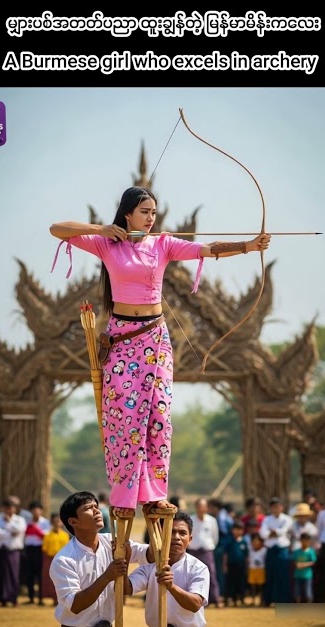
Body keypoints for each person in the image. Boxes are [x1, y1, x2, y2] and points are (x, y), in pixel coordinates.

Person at [49, 187, 271, 519]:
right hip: (121, 339)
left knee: (159, 418)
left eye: (154, 212)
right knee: (124, 417)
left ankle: (154, 495)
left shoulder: (164, 243)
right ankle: (124, 497)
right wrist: (100, 229)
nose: (151, 218)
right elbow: (56, 229)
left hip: (155, 338)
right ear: (128, 214)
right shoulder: (106, 243)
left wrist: (247, 247)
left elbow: (205, 250)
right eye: (145, 212)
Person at [48, 491, 156, 627]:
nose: (96, 511)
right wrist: (107, 576)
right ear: (73, 522)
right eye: (88, 508)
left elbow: (152, 555)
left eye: (96, 506)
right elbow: (75, 605)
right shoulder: (64, 560)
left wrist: (152, 521)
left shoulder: (112, 541)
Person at [124, 511, 211, 627]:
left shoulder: (198, 568)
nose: (176, 537)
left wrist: (171, 587)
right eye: (171, 531)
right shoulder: (150, 568)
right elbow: (125, 589)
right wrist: (125, 560)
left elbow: (195, 604)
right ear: (161, 535)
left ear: (190, 539)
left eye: (182, 533)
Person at [0, 498, 27, 607]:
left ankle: (13, 597)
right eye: (7, 507)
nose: (9, 510)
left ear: (15, 509)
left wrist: (8, 524)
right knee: (2, 574)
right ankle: (3, 598)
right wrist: (10, 532)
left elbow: (19, 530)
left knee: (13, 574)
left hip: (14, 551)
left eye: (11, 507)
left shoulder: (19, 519)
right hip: (2, 550)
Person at [259, 498, 294, 606]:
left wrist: (274, 532)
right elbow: (263, 533)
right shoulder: (267, 519)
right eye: (273, 506)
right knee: (271, 574)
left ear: (282, 507)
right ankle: (269, 599)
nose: (276, 509)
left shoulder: (287, 519)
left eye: (278, 506)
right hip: (271, 549)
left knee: (282, 574)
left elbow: (283, 531)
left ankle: (283, 600)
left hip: (282, 549)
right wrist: (274, 532)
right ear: (270, 508)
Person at [188, 498, 221, 607]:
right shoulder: (191, 520)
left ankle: (215, 599)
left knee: (211, 574)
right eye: (199, 506)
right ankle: (193, 599)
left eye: (203, 506)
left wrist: (209, 546)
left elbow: (215, 537)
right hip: (193, 551)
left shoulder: (212, 520)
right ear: (196, 507)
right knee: (191, 575)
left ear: (207, 508)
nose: (201, 509)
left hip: (207, 551)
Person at [22, 501, 50, 605]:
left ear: (41, 511)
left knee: (40, 574)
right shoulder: (27, 522)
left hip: (40, 549)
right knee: (30, 574)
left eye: (38, 509)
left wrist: (35, 530)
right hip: (29, 549)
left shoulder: (45, 523)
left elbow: (46, 536)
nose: (36, 511)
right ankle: (31, 597)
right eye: (33, 509)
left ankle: (41, 598)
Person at [41, 514, 71, 606]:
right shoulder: (47, 535)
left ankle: (60, 599)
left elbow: (67, 549)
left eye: (58, 522)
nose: (57, 524)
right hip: (50, 559)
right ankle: (51, 598)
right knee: (49, 579)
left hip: (61, 560)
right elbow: (44, 549)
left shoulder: (65, 535)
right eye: (55, 522)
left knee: (61, 579)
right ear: (52, 523)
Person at [222, 521, 249, 607]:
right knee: (231, 583)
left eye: (240, 529)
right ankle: (232, 599)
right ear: (232, 530)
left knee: (241, 582)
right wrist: (225, 565)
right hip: (231, 565)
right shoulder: (229, 542)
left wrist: (247, 565)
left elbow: (246, 555)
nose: (238, 531)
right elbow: (225, 554)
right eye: (236, 529)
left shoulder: (244, 542)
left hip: (241, 565)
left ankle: (241, 599)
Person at [292, 533, 318, 603]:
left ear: (309, 541)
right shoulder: (296, 552)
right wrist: (297, 565)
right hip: (297, 575)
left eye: (307, 540)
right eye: (303, 540)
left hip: (307, 576)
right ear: (300, 540)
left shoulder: (311, 551)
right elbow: (294, 562)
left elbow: (313, 562)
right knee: (297, 592)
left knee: (308, 592)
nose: (305, 542)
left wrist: (303, 565)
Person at [247, 534, 267, 605]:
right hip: (252, 570)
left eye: (257, 541)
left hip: (261, 570)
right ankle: (253, 601)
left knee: (261, 587)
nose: (255, 543)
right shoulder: (250, 550)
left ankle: (261, 601)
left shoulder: (264, 550)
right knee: (253, 586)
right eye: (254, 541)